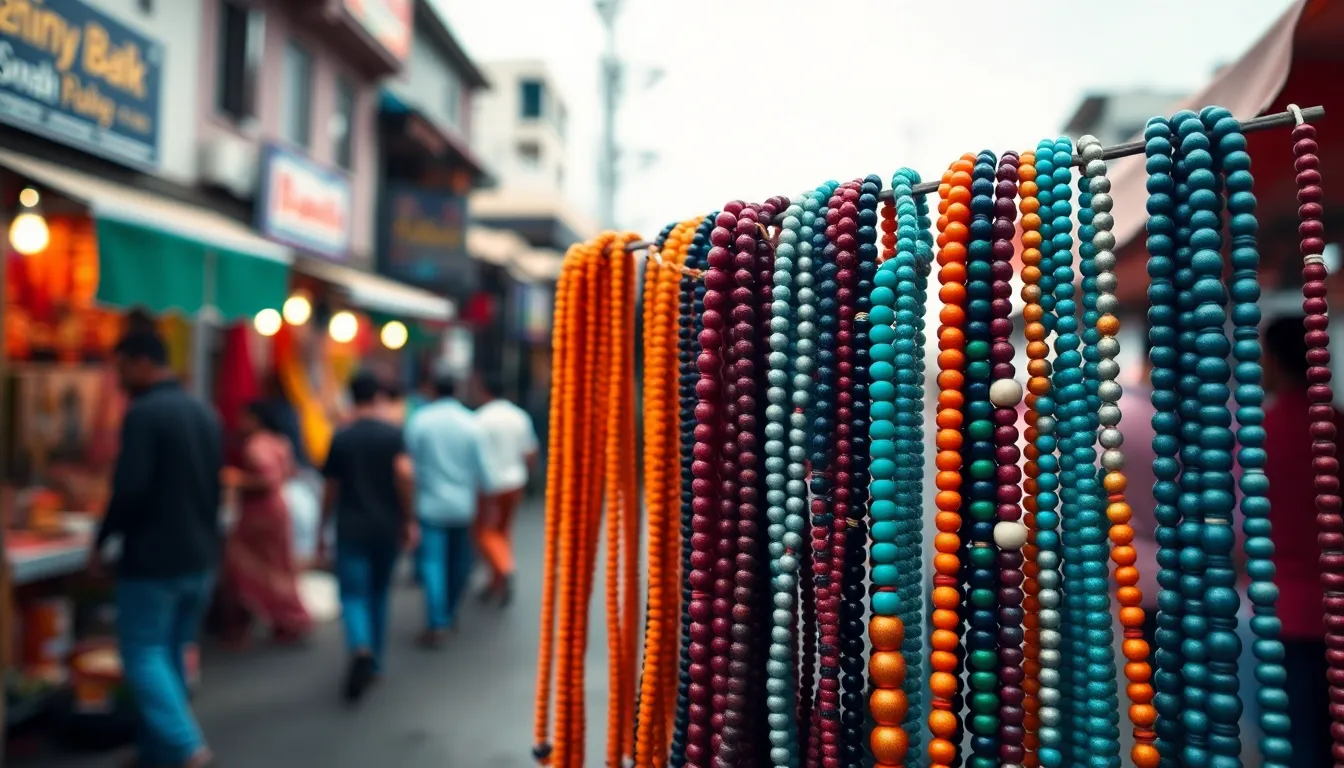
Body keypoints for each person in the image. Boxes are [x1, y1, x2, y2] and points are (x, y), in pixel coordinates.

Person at [90, 329, 222, 768]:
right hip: (199, 557)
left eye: (122, 366)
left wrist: (101, 541)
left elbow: (128, 489)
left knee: (143, 652)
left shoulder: (144, 414)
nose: (119, 377)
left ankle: (187, 747)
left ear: (143, 362)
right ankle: (156, 748)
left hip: (154, 559)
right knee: (170, 652)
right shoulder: (204, 413)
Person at [1260, 315, 1343, 768]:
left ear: (1272, 360)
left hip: (1287, 609)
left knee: (1299, 737)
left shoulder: (1262, 435)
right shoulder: (1334, 424)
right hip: (1335, 604)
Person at [318, 372, 417, 702]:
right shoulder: (392, 434)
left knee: (354, 595)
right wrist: (409, 518)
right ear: (377, 399)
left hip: (350, 527)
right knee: (378, 594)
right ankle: (374, 663)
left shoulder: (341, 437)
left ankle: (359, 646)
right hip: (386, 526)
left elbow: (330, 488)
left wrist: (322, 525)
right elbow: (405, 474)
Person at [405, 372, 490, 646]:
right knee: (458, 563)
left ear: (431, 389)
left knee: (433, 564)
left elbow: (409, 465)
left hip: (430, 504)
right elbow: (482, 469)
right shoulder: (470, 423)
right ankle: (448, 612)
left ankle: (437, 620)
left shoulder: (420, 421)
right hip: (463, 505)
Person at [218, 401, 311, 645]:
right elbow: (289, 473)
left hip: (259, 513)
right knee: (278, 566)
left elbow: (266, 479)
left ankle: (245, 625)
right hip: (279, 509)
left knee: (242, 567)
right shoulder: (281, 442)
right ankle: (289, 618)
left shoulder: (256, 445)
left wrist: (236, 480)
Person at [471, 373, 539, 605]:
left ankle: (504, 568)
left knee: (484, 532)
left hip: (489, 484)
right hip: (515, 481)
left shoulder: (480, 419)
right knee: (503, 531)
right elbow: (530, 452)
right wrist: (530, 475)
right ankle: (496, 581)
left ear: (484, 391)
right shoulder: (519, 417)